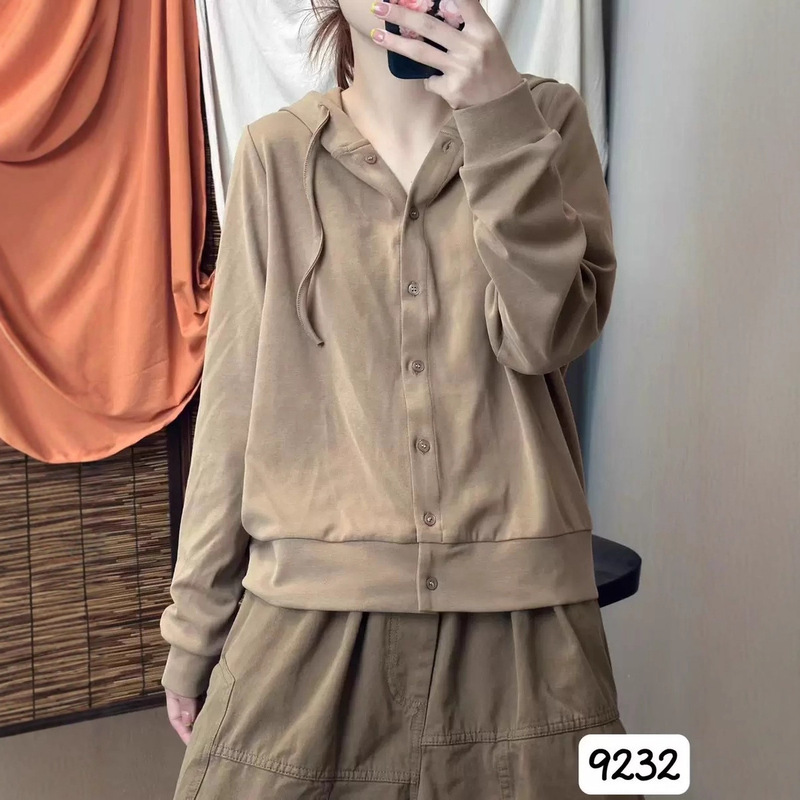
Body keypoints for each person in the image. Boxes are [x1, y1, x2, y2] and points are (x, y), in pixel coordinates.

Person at [160, 1, 641, 797]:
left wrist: (497, 118)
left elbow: (547, 336)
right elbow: (232, 409)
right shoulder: (276, 155)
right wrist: (194, 630)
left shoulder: (547, 120)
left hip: (525, 632)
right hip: (306, 629)